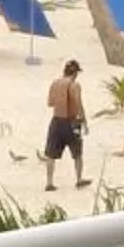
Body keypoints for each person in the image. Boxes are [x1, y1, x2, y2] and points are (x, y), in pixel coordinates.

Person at [42, 59, 89, 192]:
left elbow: (50, 103)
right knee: (77, 153)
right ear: (75, 73)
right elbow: (79, 104)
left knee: (51, 154)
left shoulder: (55, 83)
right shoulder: (74, 85)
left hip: (56, 121)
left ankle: (49, 182)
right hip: (71, 121)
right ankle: (79, 179)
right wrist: (84, 121)